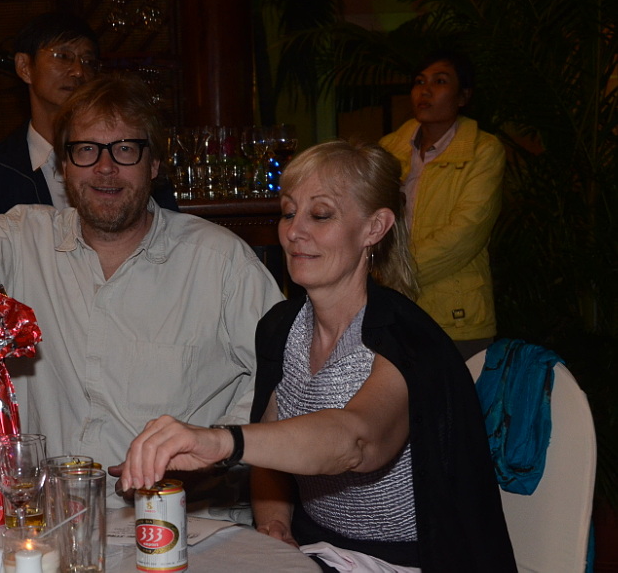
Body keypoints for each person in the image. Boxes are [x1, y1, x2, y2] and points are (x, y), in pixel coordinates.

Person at [0, 72, 285, 509]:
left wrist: (217, 453)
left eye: (125, 149)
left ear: (153, 165)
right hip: (46, 522)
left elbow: (285, 377)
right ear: (62, 166)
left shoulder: (220, 261)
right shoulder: (21, 238)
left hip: (184, 522)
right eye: (86, 150)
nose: (106, 168)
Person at [119, 140, 516, 572]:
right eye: (289, 212)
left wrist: (221, 441)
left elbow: (357, 441)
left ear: (374, 228)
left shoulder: (407, 337)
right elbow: (272, 451)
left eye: (321, 215)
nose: (294, 231)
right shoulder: (281, 327)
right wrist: (275, 524)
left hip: (408, 562)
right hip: (318, 551)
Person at [0, 11, 178, 231]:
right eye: (63, 56)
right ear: (24, 67)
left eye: (88, 61)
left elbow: (168, 232)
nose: (78, 71)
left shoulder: (131, 157)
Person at [379, 50, 505, 361]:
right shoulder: (387, 149)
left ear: (463, 96)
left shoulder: (483, 150)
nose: (425, 91)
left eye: (440, 82)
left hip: (456, 314)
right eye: (419, 82)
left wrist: (394, 274)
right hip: (392, 310)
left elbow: (466, 233)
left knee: (457, 393)